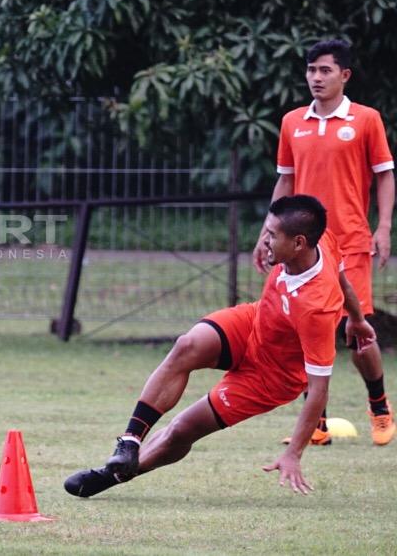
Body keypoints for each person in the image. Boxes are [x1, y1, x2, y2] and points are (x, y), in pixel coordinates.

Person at [65, 195, 376, 498]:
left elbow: (319, 390)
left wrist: (294, 453)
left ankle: (115, 474)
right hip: (255, 322)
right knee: (187, 345)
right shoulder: (322, 240)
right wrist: (358, 319)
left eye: (271, 235)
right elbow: (342, 279)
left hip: (271, 377)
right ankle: (130, 441)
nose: (264, 241)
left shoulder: (315, 310)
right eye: (265, 231)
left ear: (298, 244)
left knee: (181, 430)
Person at [252, 38, 394, 447]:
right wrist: (267, 232)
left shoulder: (366, 120)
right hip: (302, 248)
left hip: (350, 240)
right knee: (303, 330)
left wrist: (383, 227)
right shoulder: (291, 121)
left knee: (357, 330)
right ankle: (318, 422)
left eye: (325, 70)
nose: (316, 77)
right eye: (311, 70)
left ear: (344, 75)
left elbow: (384, 174)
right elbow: (285, 179)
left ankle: (380, 406)